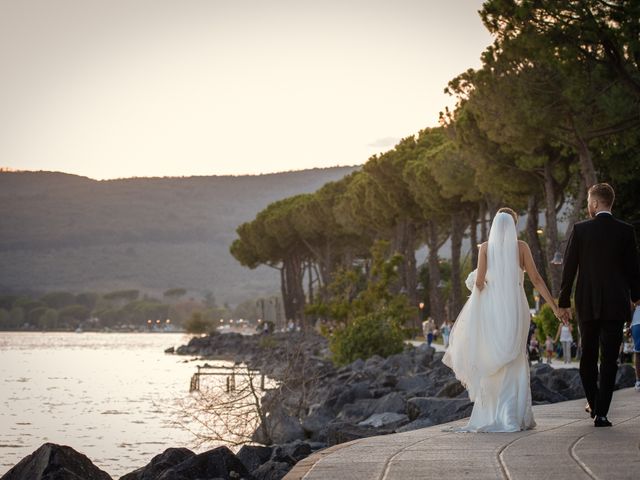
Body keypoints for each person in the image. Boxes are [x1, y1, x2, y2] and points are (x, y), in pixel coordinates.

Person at [443, 208, 561, 432]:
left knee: (492, 356)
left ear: (494, 226)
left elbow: (478, 283)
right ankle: (514, 415)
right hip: (517, 308)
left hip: (493, 310)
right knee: (516, 357)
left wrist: (477, 281)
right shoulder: (522, 247)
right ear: (514, 225)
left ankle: (496, 413)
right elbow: (536, 279)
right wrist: (554, 306)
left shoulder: (486, 249)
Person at [558, 183, 640, 427]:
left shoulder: (581, 229)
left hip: (586, 301)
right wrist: (637, 296)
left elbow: (569, 268)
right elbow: (634, 270)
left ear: (594, 203)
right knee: (609, 360)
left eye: (588, 202)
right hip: (616, 303)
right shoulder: (625, 231)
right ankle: (601, 412)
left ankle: (593, 402)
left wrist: (563, 302)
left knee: (587, 356)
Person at [631, 305, 640, 391]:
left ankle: (638, 381)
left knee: (637, 352)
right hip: (637, 322)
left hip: (636, 323)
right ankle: (638, 381)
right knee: (637, 352)